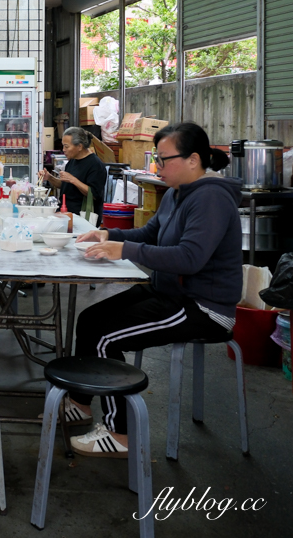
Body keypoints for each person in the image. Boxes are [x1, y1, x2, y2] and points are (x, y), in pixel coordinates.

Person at [67, 122, 241, 458]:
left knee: (107, 337)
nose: (156, 167)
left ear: (193, 159)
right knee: (90, 319)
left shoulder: (210, 198)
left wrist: (123, 251)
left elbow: (189, 258)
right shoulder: (178, 193)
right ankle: (80, 403)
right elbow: (149, 234)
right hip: (170, 293)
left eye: (162, 160)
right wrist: (109, 235)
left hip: (203, 307)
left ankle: (121, 434)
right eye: (156, 160)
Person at [37, 126, 107, 219]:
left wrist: (73, 179)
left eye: (66, 146)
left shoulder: (95, 165)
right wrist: (49, 177)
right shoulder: (73, 161)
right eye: (63, 146)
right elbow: (65, 185)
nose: (63, 149)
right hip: (66, 213)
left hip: (82, 217)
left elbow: (94, 194)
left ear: (79, 146)